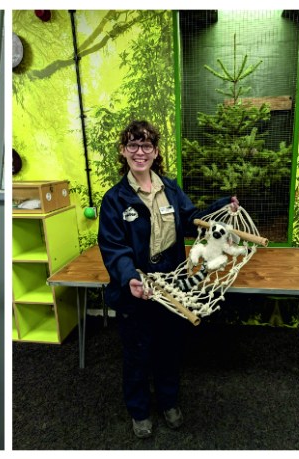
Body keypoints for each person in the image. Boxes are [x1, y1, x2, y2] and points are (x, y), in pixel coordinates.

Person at [98, 120, 239, 438]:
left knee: (169, 348)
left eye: (146, 145)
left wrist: (222, 208)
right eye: (133, 145)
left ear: (155, 151)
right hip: (138, 288)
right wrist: (129, 278)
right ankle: (139, 411)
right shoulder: (115, 199)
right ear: (123, 151)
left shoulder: (170, 190)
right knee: (137, 353)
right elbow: (114, 247)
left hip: (172, 285)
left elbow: (192, 220)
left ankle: (169, 401)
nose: (140, 152)